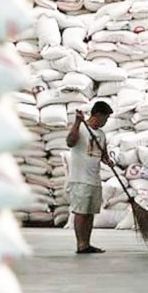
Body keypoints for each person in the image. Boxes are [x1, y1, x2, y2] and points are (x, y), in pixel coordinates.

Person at [66, 101, 114, 254]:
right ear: (98, 115)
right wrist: (77, 122)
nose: (106, 122)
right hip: (80, 178)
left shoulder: (101, 134)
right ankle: (80, 245)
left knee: (90, 213)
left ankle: (86, 244)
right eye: (105, 118)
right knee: (81, 212)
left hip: (94, 179)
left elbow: (103, 154)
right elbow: (70, 142)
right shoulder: (80, 128)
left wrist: (108, 161)